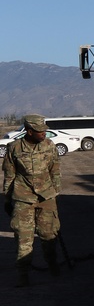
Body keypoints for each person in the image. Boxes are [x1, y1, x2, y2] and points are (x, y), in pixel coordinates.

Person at [3, 114, 62, 287]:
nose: (44, 134)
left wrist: (56, 193)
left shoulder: (49, 145)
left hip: (46, 197)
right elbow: (9, 175)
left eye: (44, 131)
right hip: (23, 198)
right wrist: (7, 199)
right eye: (40, 131)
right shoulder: (14, 148)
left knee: (49, 235)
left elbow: (55, 169)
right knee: (23, 238)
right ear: (29, 131)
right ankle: (23, 274)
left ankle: (53, 265)